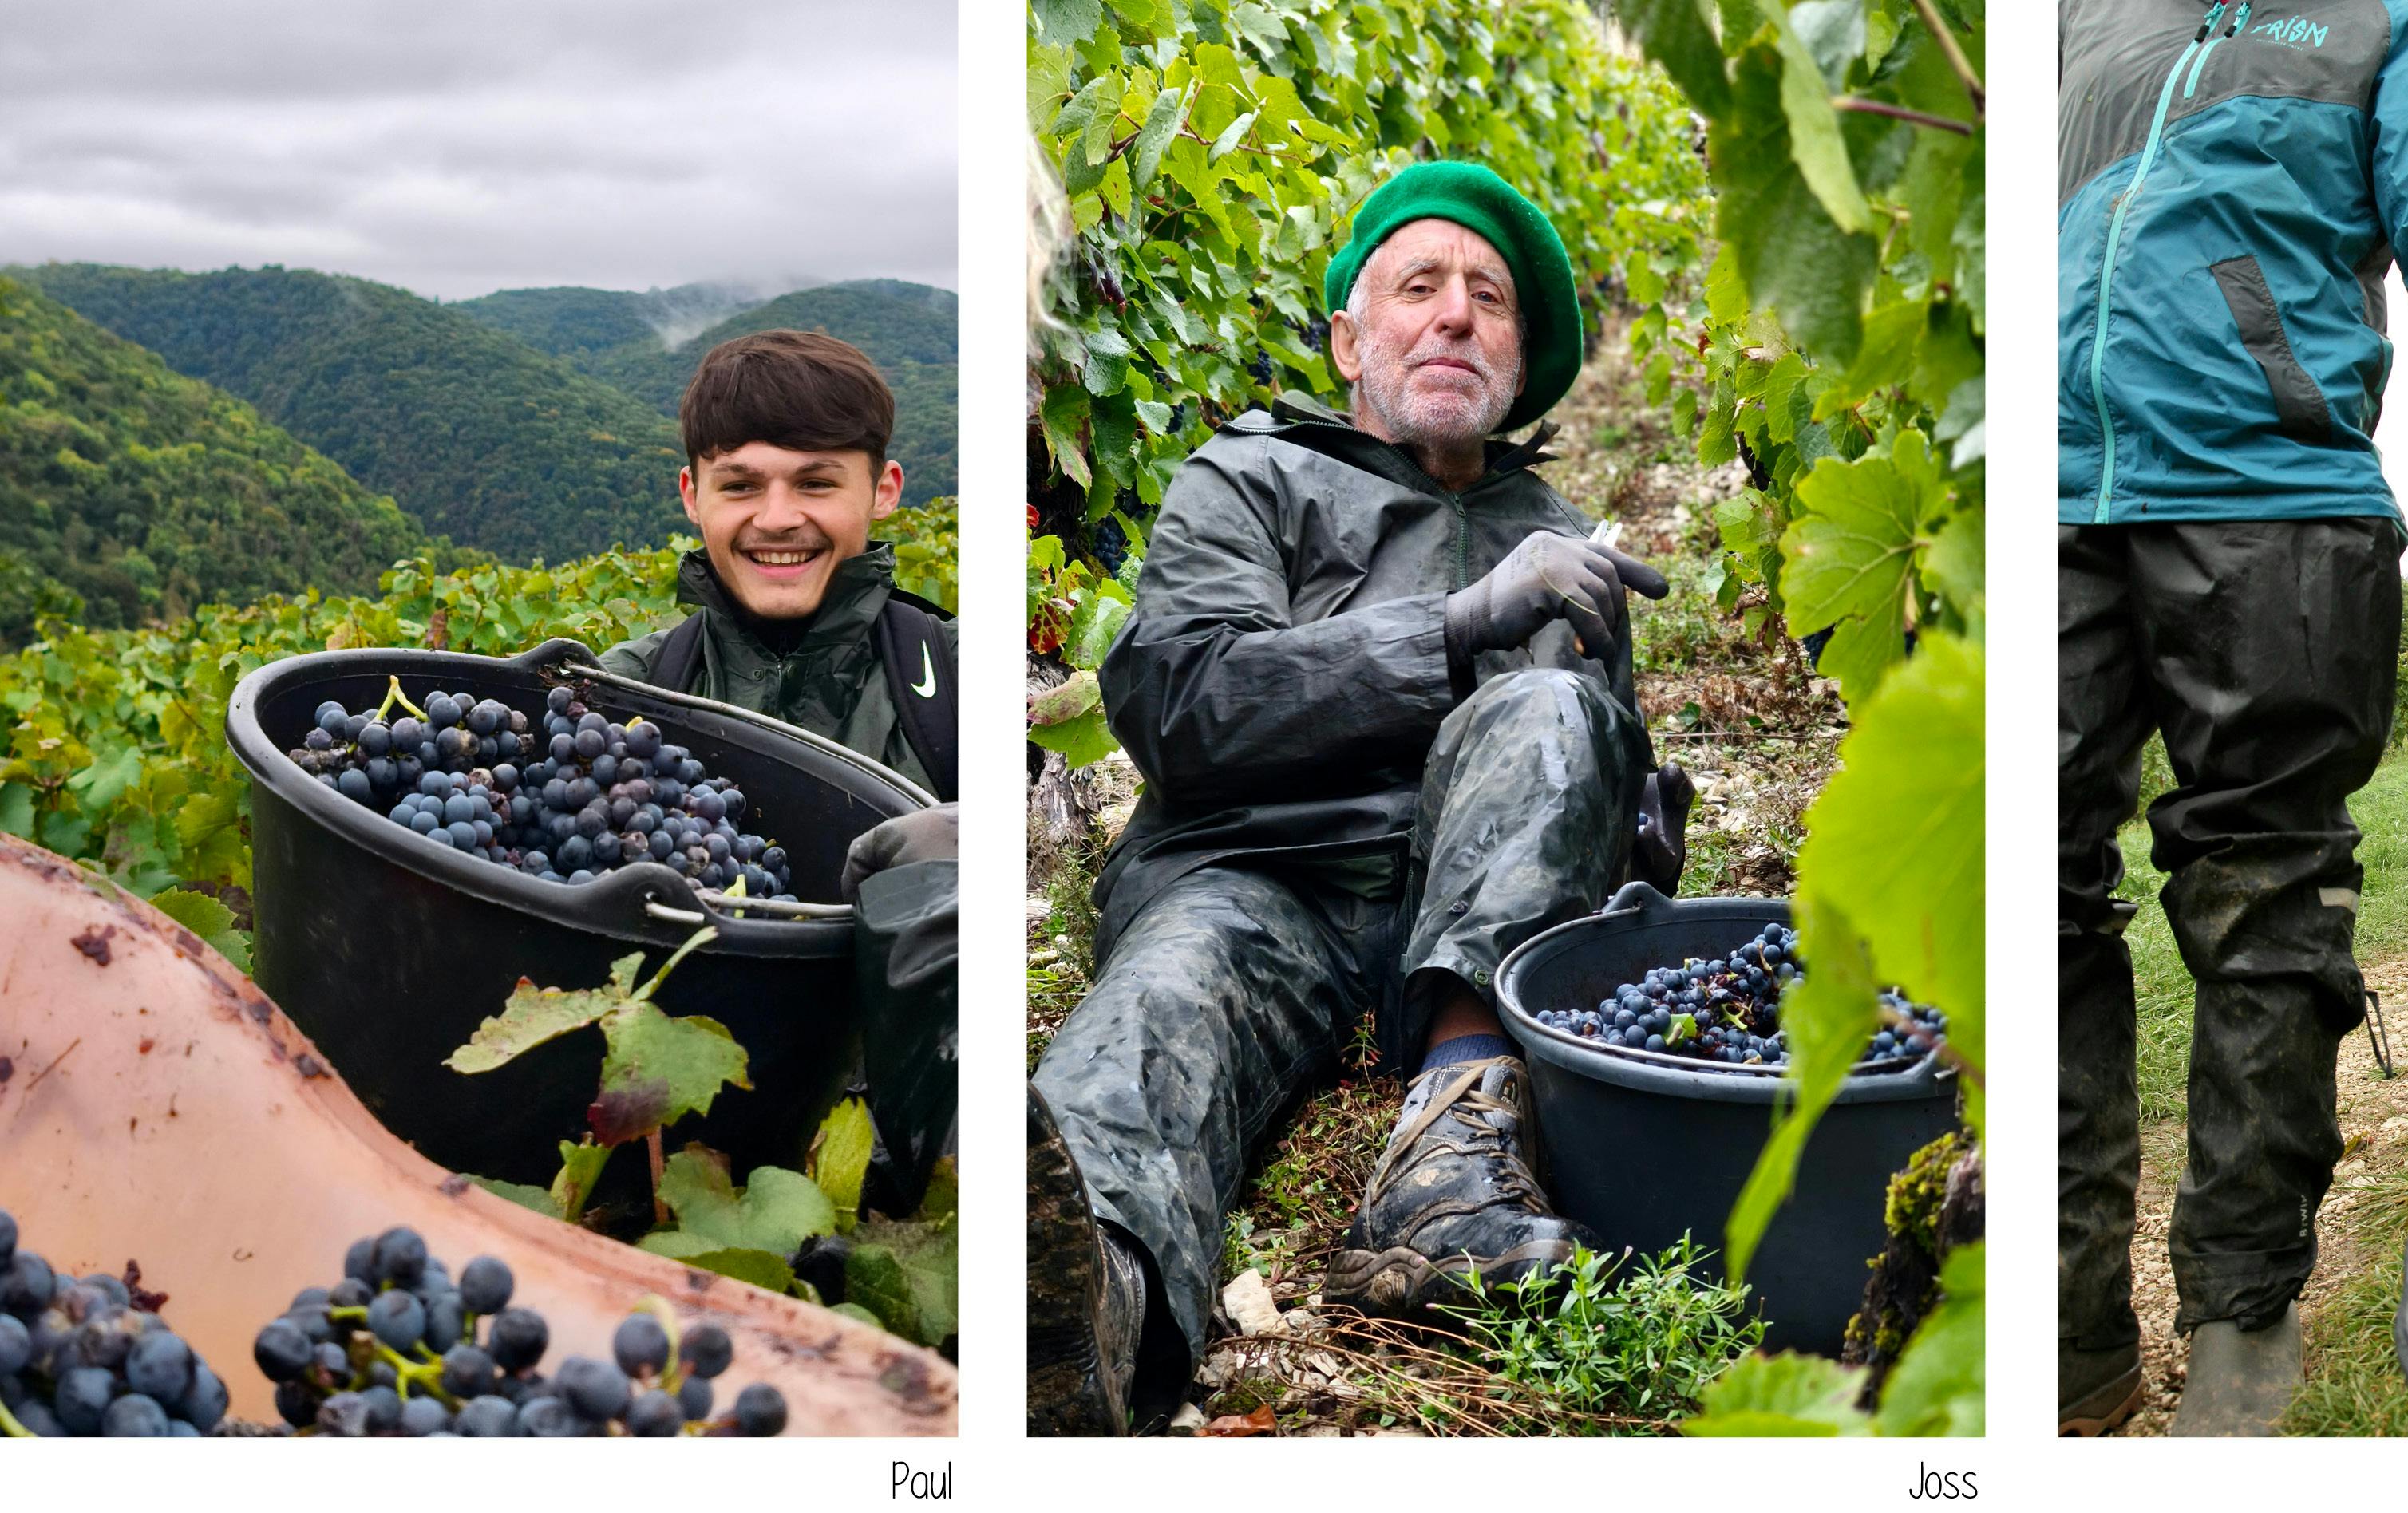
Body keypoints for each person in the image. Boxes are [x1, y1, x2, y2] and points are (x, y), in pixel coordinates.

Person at [1026, 161, 1692, 1435]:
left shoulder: (1561, 535)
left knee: (1558, 715)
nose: (1455, 317)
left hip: (1469, 922)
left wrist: (1630, 832)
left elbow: (1562, 782)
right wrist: (1454, 627)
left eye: (1489, 299)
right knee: (1159, 1018)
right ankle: (1083, 1305)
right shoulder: (1251, 477)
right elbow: (1179, 703)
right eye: (1419, 287)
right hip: (1252, 877)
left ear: (1520, 354)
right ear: (1347, 338)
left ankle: (1445, 1174)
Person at [2058, 2, 2408, 1437]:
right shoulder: (2073, 19)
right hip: (2051, 494)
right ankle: (2064, 1334)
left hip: (2277, 491)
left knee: (2267, 889)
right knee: (2027, 894)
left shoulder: (2383, 24)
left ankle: (2241, 1324)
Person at [599, 328, 961, 1203]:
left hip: (896, 1172)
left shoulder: (953, 684)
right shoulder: (626, 695)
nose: (776, 518)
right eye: (740, 485)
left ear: (882, 491)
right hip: (663, 1151)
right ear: (692, 496)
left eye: (816, 482)